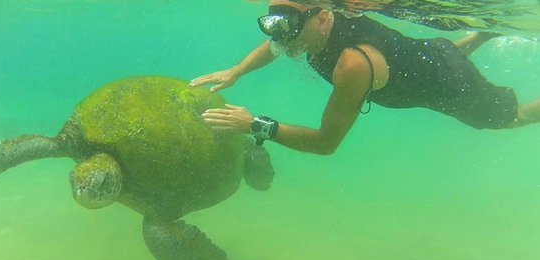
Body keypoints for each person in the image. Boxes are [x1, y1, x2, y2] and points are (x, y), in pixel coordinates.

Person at [191, 0, 540, 155]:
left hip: (448, 80)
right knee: (430, 59)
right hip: (427, 53)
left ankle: (482, 38)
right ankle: (482, 35)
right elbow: (277, 46)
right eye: (274, 28)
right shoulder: (313, 27)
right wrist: (237, 70)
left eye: (289, 30)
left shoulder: (352, 66)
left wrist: (254, 124)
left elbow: (325, 144)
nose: (282, 40)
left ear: (324, 19)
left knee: (513, 118)